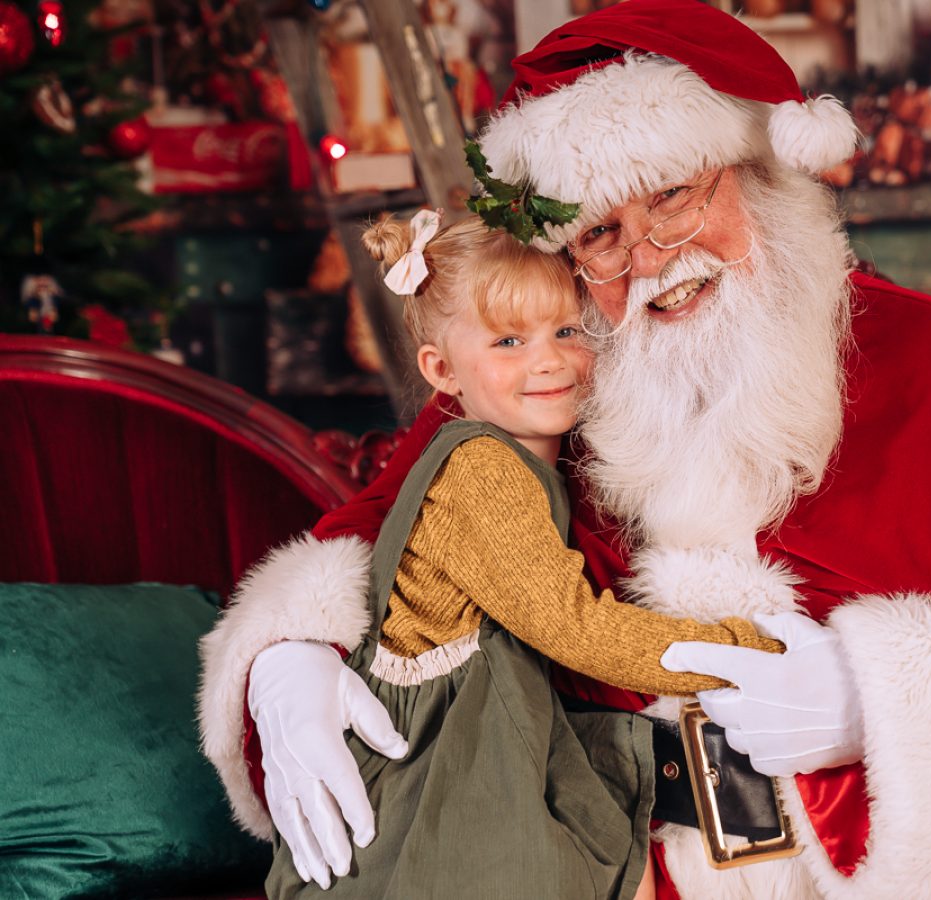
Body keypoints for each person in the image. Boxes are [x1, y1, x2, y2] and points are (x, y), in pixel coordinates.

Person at [199, 1, 931, 897]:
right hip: (626, 855)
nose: (649, 260)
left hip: (907, 854)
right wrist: (287, 659)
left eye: (672, 196)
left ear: (761, 175)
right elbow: (375, 532)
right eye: (599, 235)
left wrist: (874, 705)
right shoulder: (545, 380)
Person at [259, 209, 783, 898]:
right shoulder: (484, 471)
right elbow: (575, 626)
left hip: (493, 723)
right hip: (449, 756)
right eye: (509, 340)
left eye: (567, 330)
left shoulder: (520, 455)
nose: (548, 359)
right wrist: (744, 652)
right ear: (441, 369)